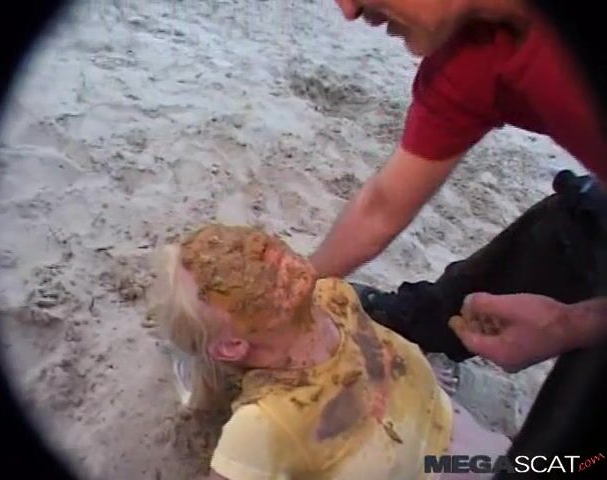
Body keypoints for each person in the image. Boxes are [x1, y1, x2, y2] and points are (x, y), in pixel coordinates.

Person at [309, 0, 607, 375]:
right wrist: (294, 288)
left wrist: (574, 326)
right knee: (579, 221)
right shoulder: (467, 58)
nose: (348, 10)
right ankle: (427, 325)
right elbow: (379, 206)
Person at [148, 224, 510, 480]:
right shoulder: (262, 424)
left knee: (534, 462)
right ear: (231, 345)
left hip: (443, 421)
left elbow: (370, 346)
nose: (257, 249)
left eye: (238, 241)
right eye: (228, 274)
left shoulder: (333, 295)